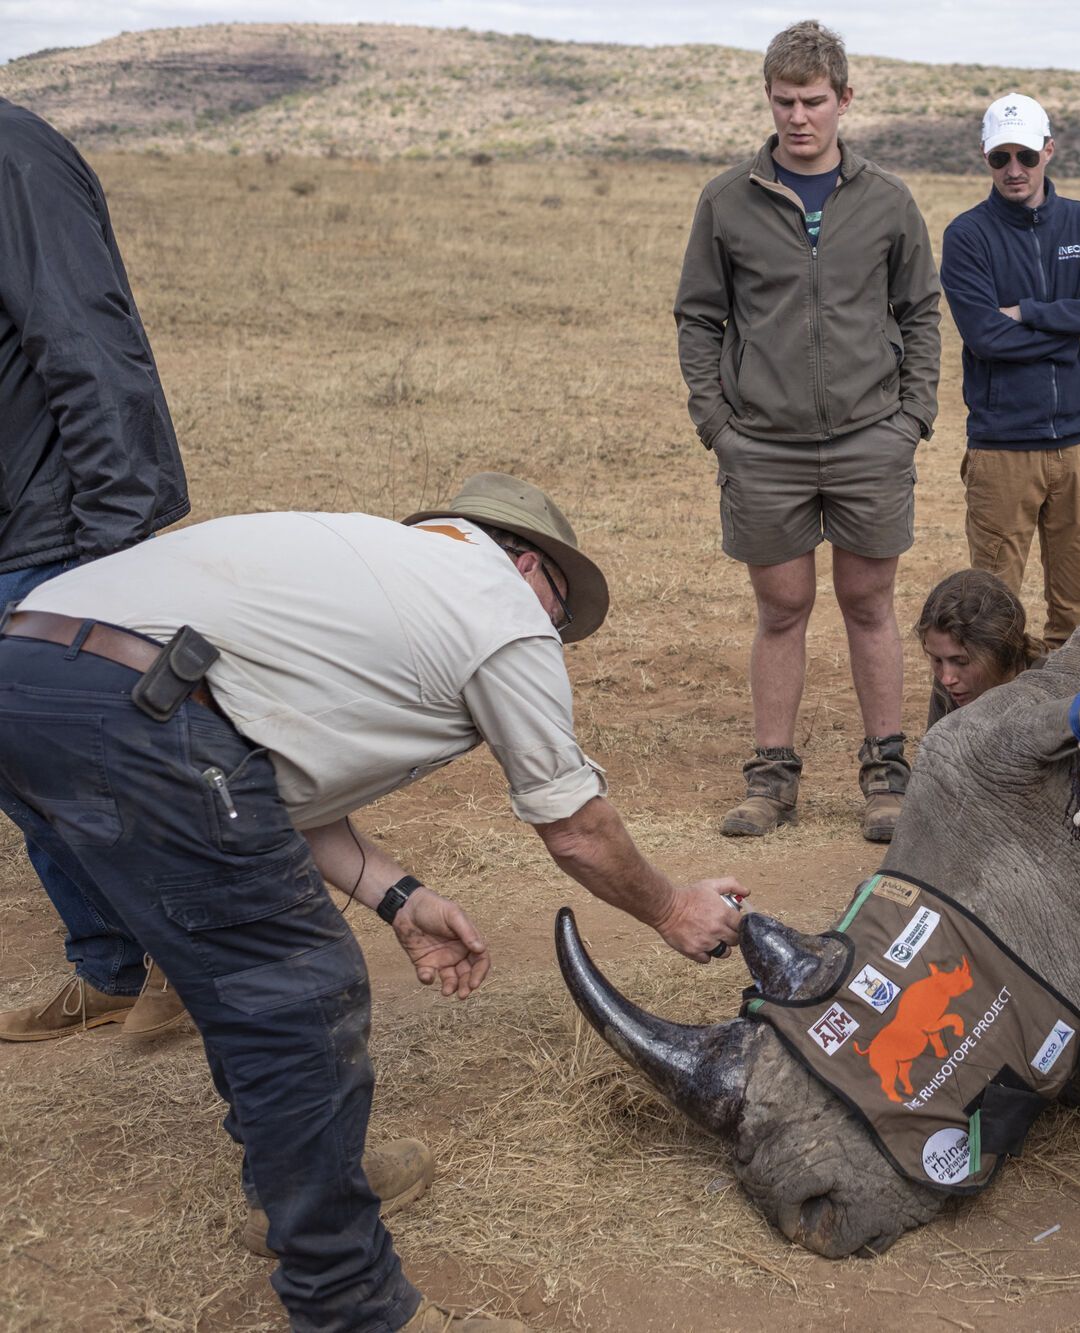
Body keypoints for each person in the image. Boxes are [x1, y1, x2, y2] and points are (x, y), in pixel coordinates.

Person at [0, 473, 748, 1333]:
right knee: (298, 992)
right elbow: (575, 826)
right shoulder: (498, 607)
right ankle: (353, 1305)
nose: (555, 634)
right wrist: (668, 908)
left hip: (29, 674)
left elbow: (255, 789)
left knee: (234, 966)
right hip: (137, 706)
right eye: (559, 613)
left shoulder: (368, 571)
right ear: (530, 565)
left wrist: (400, 898)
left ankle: (301, 1190)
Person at [676, 19, 942, 842]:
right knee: (782, 605)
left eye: (814, 101)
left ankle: (887, 775)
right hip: (763, 443)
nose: (799, 117)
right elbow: (700, 317)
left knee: (870, 601)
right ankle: (772, 777)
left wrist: (912, 418)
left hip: (870, 437)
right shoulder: (727, 200)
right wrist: (718, 424)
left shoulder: (889, 200)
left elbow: (920, 312)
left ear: (845, 100)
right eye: (785, 101)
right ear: (769, 98)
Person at [0, 96, 193, 1043]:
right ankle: (108, 964)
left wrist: (113, 552)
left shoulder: (11, 155)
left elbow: (88, 348)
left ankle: (194, 969)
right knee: (22, 769)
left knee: (112, 766)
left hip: (48, 537)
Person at [939, 94, 1080, 656]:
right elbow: (985, 337)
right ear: (985, 157)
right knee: (990, 614)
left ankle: (1064, 728)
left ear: (1049, 149)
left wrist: (1030, 311)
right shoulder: (967, 235)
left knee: (1077, 611)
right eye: (1001, 158)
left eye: (1025, 155)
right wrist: (1075, 322)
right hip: (1002, 451)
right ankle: (990, 732)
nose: (1014, 170)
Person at [916, 569, 1035, 727]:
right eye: (937, 660)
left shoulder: (1048, 689)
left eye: (961, 661)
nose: (946, 679)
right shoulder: (952, 685)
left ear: (1000, 652)